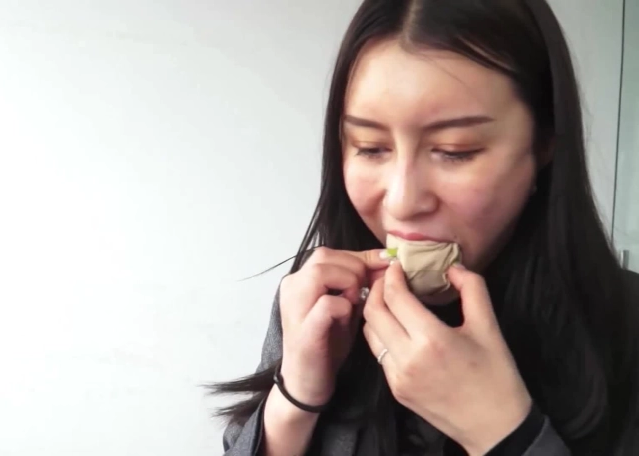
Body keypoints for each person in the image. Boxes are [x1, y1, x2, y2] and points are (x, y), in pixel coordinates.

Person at [209, 0, 639, 455]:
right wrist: (296, 399)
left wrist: (504, 432)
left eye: (455, 151)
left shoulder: (626, 328)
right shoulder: (320, 298)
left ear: (544, 144)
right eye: (370, 147)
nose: (402, 201)